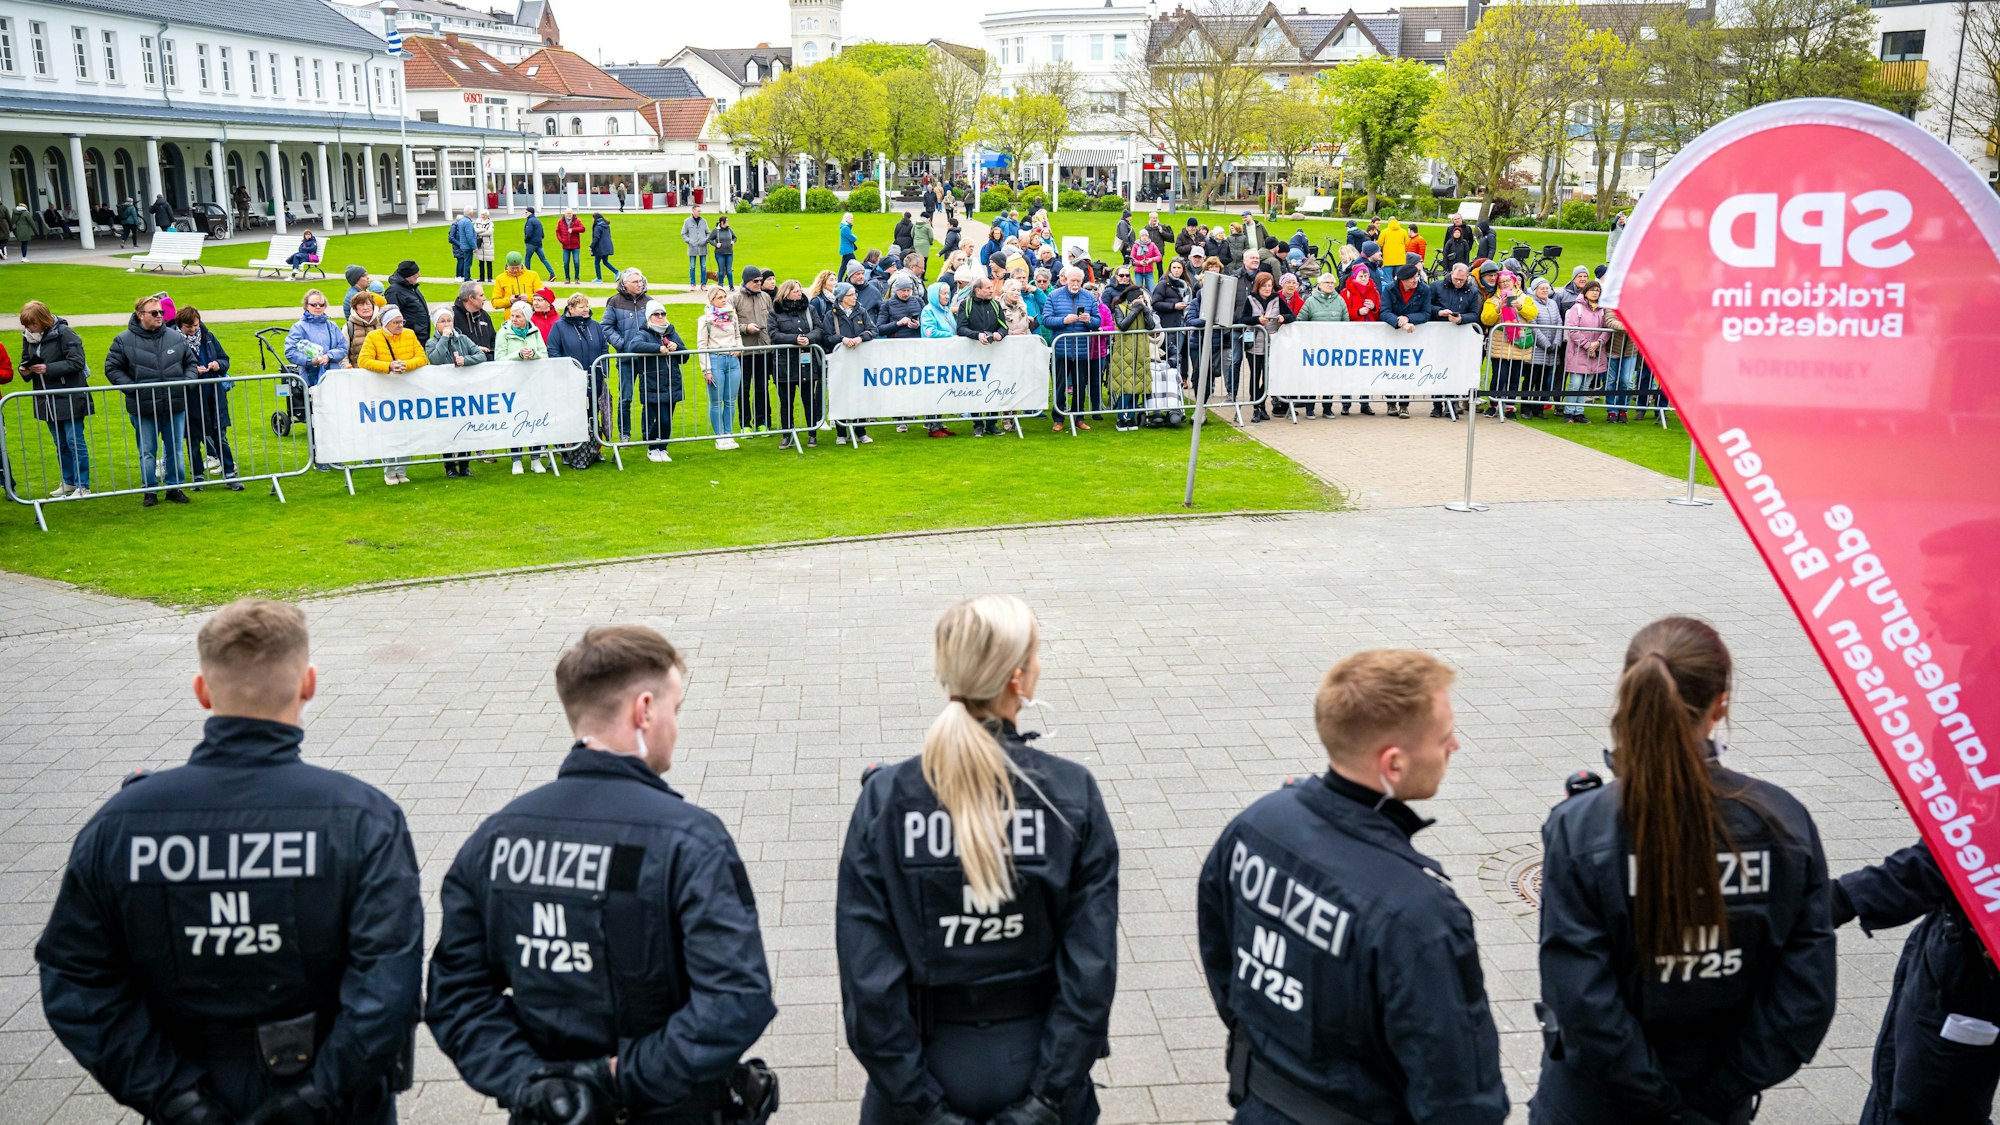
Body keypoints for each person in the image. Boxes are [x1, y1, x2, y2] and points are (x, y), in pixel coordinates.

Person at [36, 600, 423, 1125]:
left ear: (202, 692)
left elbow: (77, 977)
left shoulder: (121, 824)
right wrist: (319, 1095)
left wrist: (174, 1096)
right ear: (308, 684)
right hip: (339, 1102)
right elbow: (389, 986)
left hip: (187, 1084)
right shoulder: (362, 819)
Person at [426, 624, 778, 1125]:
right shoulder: (689, 840)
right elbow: (736, 1001)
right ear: (645, 711)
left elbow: (455, 996)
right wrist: (617, 1078)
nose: (674, 727)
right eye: (675, 710)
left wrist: (534, 1082)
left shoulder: (495, 839)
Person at [1534, 616, 1835, 1125]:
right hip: (1718, 1101)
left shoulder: (1580, 828)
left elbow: (1582, 998)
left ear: (1628, 694)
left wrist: (1662, 1106)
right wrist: (1718, 1095)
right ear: (1721, 704)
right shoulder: (1784, 821)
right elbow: (1804, 998)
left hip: (1597, 1104)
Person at [837, 595, 1117, 1125]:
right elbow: (1090, 971)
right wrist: (1046, 1101)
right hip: (1037, 1062)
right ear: (1019, 679)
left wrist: (921, 1105)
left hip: (920, 1071)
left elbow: (867, 979)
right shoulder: (1070, 794)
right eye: (1036, 655)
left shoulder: (886, 800)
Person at [1199, 649, 1507, 1125]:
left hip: (1261, 1103)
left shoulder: (1258, 824)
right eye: (1444, 737)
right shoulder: (1418, 913)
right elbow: (1457, 1093)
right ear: (1394, 764)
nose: (1455, 747)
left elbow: (1221, 953)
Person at [104, 294, 196, 507]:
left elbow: (190, 363)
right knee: (147, 450)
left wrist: (186, 383)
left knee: (175, 449)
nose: (159, 316)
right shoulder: (123, 340)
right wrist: (134, 389)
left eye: (161, 312)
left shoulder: (176, 338)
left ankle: (174, 487)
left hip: (174, 404)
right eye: (154, 313)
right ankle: (150, 490)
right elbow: (112, 368)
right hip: (143, 406)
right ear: (140, 315)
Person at [16, 301, 93, 497]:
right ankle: (68, 481)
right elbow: (26, 359)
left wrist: (48, 369)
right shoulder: (28, 337)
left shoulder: (65, 333)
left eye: (32, 323)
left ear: (42, 320)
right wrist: (24, 370)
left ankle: (83, 485)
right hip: (46, 398)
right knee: (60, 443)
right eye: (26, 324)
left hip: (69, 396)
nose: (29, 328)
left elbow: (77, 361)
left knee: (74, 440)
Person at [172, 307, 240, 492]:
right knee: (193, 440)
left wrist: (218, 365)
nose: (193, 329)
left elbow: (225, 359)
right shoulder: (173, 341)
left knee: (221, 437)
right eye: (188, 327)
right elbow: (171, 369)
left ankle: (230, 474)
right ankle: (198, 477)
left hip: (213, 396)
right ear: (180, 325)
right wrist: (193, 372)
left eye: (195, 325)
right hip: (190, 397)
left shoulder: (208, 337)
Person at [423, 307, 485, 483]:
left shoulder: (463, 338)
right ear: (436, 324)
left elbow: (480, 355)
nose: (447, 324)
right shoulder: (431, 342)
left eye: (448, 320)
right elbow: (435, 359)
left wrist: (466, 360)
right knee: (448, 430)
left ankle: (465, 465)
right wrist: (444, 338)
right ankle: (450, 466)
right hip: (444, 391)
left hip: (464, 390)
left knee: (465, 427)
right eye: (442, 321)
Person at [624, 301, 687, 462]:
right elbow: (634, 345)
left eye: (662, 314)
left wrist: (676, 347)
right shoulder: (644, 332)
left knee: (668, 420)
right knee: (662, 418)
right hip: (653, 383)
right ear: (650, 317)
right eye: (656, 314)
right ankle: (653, 448)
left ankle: (663, 448)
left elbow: (684, 356)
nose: (660, 317)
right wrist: (657, 349)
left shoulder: (671, 332)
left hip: (672, 383)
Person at [1042, 266, 1100, 434]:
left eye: (1078, 281)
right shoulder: (1054, 295)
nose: (1075, 284)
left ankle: (1079, 417)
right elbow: (1046, 320)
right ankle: (1058, 419)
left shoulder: (1089, 297)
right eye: (1072, 280)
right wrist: (1063, 320)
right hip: (1061, 349)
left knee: (1080, 385)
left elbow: (1097, 322)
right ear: (1065, 279)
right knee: (1060, 386)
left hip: (1082, 350)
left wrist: (1089, 320)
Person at [818, 281, 876, 445]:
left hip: (860, 361)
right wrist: (842, 340)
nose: (854, 297)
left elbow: (873, 330)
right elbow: (826, 337)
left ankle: (861, 431)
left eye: (855, 294)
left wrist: (860, 338)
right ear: (842, 297)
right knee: (840, 396)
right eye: (851, 295)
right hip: (840, 364)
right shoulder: (831, 315)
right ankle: (841, 432)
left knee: (860, 395)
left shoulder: (861, 311)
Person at [547, 292, 610, 442]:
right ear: (571, 308)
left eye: (587, 306)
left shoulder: (595, 325)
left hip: (595, 378)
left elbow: (604, 348)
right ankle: (569, 451)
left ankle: (594, 449)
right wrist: (565, 372)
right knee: (571, 414)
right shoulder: (559, 327)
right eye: (581, 306)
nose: (586, 309)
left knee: (593, 413)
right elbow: (553, 351)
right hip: (570, 381)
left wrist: (603, 370)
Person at [766, 278, 821, 449]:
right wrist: (794, 339)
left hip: (806, 361)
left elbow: (819, 329)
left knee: (808, 399)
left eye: (799, 290)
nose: (800, 293)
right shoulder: (775, 312)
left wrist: (808, 339)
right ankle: (786, 434)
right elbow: (773, 334)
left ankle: (812, 433)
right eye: (796, 291)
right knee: (786, 401)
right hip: (785, 363)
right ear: (786, 292)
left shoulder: (809, 309)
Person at [1479, 271, 1537, 420]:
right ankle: (1494, 405)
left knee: (1514, 377)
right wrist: (1498, 308)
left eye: (1507, 281)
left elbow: (1533, 314)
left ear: (1514, 282)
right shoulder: (1492, 300)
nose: (1505, 283)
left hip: (1518, 344)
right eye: (1501, 281)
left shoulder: (1524, 298)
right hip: (1500, 343)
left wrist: (1521, 307)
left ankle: (1510, 406)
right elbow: (1486, 319)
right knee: (1499, 376)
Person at [603, 269, 652, 440]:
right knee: (625, 398)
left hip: (647, 358)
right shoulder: (614, 302)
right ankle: (624, 434)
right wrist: (623, 345)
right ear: (625, 284)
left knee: (648, 397)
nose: (640, 284)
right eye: (635, 282)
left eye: (641, 281)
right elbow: (606, 327)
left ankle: (648, 434)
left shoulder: (650, 301)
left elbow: (658, 324)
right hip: (625, 359)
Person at [1378, 265, 1431, 419]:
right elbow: (1385, 311)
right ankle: (1390, 403)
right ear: (1402, 280)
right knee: (1390, 368)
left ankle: (1404, 405)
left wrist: (1408, 319)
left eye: (1417, 277)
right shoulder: (1389, 289)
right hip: (1392, 334)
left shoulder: (1424, 290)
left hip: (1412, 335)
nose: (1416, 280)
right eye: (1411, 278)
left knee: (1408, 370)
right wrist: (1399, 322)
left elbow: (1426, 313)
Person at [1235, 271, 1289, 423]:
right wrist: (1257, 320)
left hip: (1272, 345)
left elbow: (1291, 316)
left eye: (1270, 286)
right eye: (1264, 286)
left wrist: (1282, 317)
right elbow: (1243, 318)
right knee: (1255, 376)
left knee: (1269, 377)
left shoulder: (1277, 299)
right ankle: (1256, 408)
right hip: (1255, 345)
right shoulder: (1251, 299)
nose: (1267, 289)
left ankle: (1262, 405)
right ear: (1258, 286)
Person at [1105, 278, 1159, 431]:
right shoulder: (1119, 308)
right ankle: (1121, 418)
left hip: (1141, 352)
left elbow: (1151, 326)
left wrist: (1146, 310)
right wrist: (1135, 310)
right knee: (1126, 387)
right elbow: (1122, 326)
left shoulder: (1143, 309)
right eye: (1139, 297)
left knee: (1138, 387)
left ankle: (1132, 417)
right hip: (1124, 353)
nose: (1142, 300)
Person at [697, 287, 745, 450]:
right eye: (720, 297)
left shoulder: (732, 316)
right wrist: (707, 369)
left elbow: (738, 336)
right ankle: (719, 437)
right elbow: (702, 345)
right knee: (716, 401)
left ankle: (728, 434)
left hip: (732, 360)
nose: (724, 300)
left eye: (725, 297)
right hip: (715, 359)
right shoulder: (705, 319)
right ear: (712, 301)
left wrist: (739, 348)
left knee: (730, 401)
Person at [732, 267, 775, 433]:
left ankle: (762, 421)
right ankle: (745, 424)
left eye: (760, 280)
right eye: (755, 281)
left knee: (761, 387)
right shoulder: (735, 299)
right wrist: (745, 328)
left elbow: (771, 320)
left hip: (763, 349)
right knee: (743, 388)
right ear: (746, 281)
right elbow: (730, 324)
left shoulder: (765, 297)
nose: (759, 283)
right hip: (744, 351)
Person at [1560, 278, 1607, 424]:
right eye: (1592, 290)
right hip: (1578, 352)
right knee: (1575, 383)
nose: (1595, 293)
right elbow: (1573, 330)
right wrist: (1588, 345)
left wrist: (1597, 344)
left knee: (1585, 385)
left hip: (1595, 352)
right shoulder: (1577, 308)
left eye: (1597, 290)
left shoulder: (1602, 309)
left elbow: (1606, 330)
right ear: (1585, 292)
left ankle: (1579, 412)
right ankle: (1569, 412)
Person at [1602, 302, 1641, 423]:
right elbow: (1609, 320)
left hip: (1631, 350)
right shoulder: (1612, 303)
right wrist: (1628, 326)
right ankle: (1612, 411)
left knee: (1627, 382)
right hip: (1613, 349)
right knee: (1611, 381)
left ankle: (1623, 409)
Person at [385, 260, 431, 344]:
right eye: (415, 274)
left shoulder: (412, 287)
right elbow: (392, 317)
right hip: (408, 339)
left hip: (421, 336)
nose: (418, 275)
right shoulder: (394, 291)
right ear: (407, 276)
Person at [343, 292, 382, 368]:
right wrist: (347, 367)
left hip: (381, 371)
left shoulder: (382, 323)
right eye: (361, 305)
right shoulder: (348, 327)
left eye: (368, 304)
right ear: (355, 308)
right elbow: (343, 353)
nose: (365, 308)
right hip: (358, 373)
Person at [682, 205, 712, 289]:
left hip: (702, 246)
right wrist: (689, 241)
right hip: (692, 247)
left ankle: (703, 284)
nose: (700, 213)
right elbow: (683, 233)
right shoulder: (687, 221)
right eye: (698, 211)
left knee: (703, 266)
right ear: (693, 211)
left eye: (700, 211)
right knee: (692, 266)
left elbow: (708, 232)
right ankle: (692, 284)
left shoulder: (703, 221)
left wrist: (706, 240)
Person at [522, 206, 554, 276]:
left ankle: (527, 275)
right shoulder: (538, 221)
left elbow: (528, 233)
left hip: (531, 243)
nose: (525, 214)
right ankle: (552, 273)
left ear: (530, 213)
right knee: (543, 259)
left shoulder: (529, 221)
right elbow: (542, 234)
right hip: (539, 243)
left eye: (526, 212)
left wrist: (526, 240)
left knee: (527, 258)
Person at [448, 207, 478, 281]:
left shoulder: (461, 221)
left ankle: (465, 276)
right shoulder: (467, 222)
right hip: (467, 246)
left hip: (463, 245)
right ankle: (467, 277)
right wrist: (474, 247)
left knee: (465, 261)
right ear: (470, 213)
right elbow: (469, 236)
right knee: (467, 262)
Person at [556, 208, 585, 283]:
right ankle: (567, 278)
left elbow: (583, 228)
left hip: (575, 245)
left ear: (572, 213)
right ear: (565, 214)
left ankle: (576, 279)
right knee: (566, 262)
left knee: (576, 262)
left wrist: (573, 229)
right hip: (565, 245)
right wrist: (561, 240)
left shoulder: (576, 220)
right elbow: (557, 231)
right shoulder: (560, 221)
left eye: (570, 213)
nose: (569, 215)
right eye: (568, 213)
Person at [713, 216, 738, 289]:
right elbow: (709, 239)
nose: (728, 222)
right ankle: (720, 285)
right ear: (722, 222)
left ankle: (731, 285)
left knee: (729, 270)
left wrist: (733, 241)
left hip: (729, 252)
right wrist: (716, 244)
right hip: (719, 253)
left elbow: (735, 237)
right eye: (727, 221)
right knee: (721, 270)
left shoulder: (729, 230)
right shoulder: (716, 231)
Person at [840, 211, 859, 276]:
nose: (852, 219)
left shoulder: (845, 227)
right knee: (855, 266)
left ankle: (840, 280)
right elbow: (853, 238)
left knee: (843, 267)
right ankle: (848, 279)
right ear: (846, 219)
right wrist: (855, 237)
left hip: (846, 250)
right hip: (847, 250)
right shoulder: (845, 228)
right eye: (851, 218)